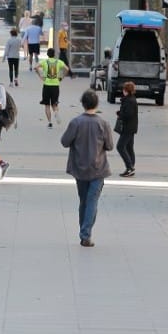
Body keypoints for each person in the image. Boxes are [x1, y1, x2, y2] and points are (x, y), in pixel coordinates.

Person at [60, 90, 114, 247]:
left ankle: (84, 231)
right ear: (96, 104)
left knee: (83, 201)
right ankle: (85, 234)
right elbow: (110, 146)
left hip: (79, 168)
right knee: (92, 201)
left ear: (83, 104)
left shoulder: (76, 122)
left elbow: (64, 141)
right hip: (98, 169)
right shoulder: (103, 124)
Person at [35, 48, 68, 129]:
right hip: (55, 85)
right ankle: (56, 112)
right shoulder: (59, 62)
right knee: (55, 103)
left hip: (47, 85)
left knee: (47, 105)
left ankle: (49, 123)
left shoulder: (44, 62)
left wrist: (41, 76)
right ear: (54, 54)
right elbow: (67, 69)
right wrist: (62, 77)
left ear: (47, 54)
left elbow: (36, 67)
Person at [116, 81, 138, 176]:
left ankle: (130, 167)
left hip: (127, 128)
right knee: (129, 148)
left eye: (123, 89)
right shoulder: (131, 99)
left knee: (120, 146)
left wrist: (120, 114)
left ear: (126, 90)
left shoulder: (129, 101)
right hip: (132, 127)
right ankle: (131, 167)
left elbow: (128, 114)